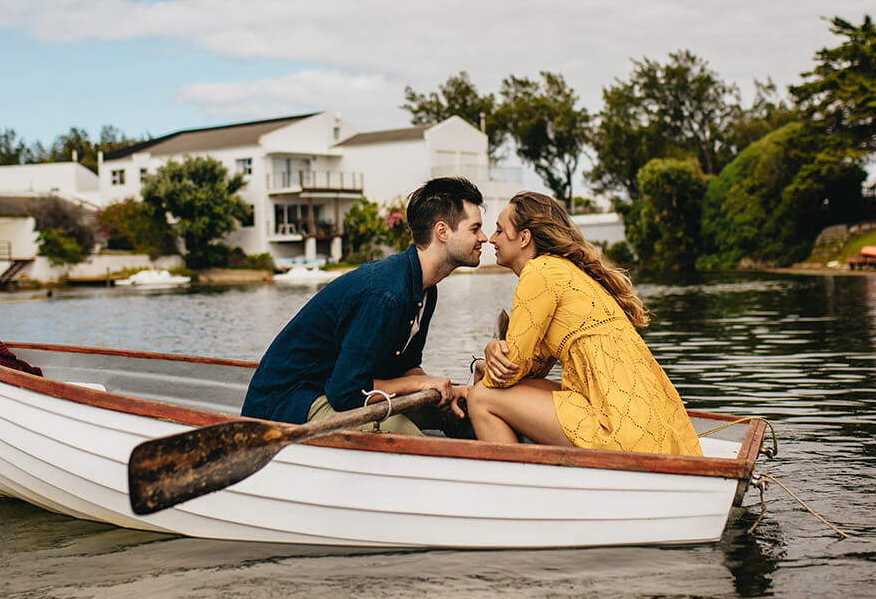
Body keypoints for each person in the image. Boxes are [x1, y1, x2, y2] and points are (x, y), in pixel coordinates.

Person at [241, 176, 487, 436]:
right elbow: (346, 393)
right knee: (405, 435)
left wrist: (442, 388)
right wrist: (420, 382)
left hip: (341, 388)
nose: (484, 237)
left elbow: (405, 366)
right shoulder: (385, 294)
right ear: (442, 232)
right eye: (475, 228)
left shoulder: (425, 289)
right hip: (292, 401)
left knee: (460, 409)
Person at [466, 191, 702, 455]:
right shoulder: (568, 272)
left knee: (481, 397)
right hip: (650, 423)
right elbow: (530, 370)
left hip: (615, 427)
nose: (491, 239)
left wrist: (481, 371)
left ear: (524, 238)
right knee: (502, 386)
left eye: (499, 229)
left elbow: (508, 370)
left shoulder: (539, 271)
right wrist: (486, 364)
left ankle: (517, 485)